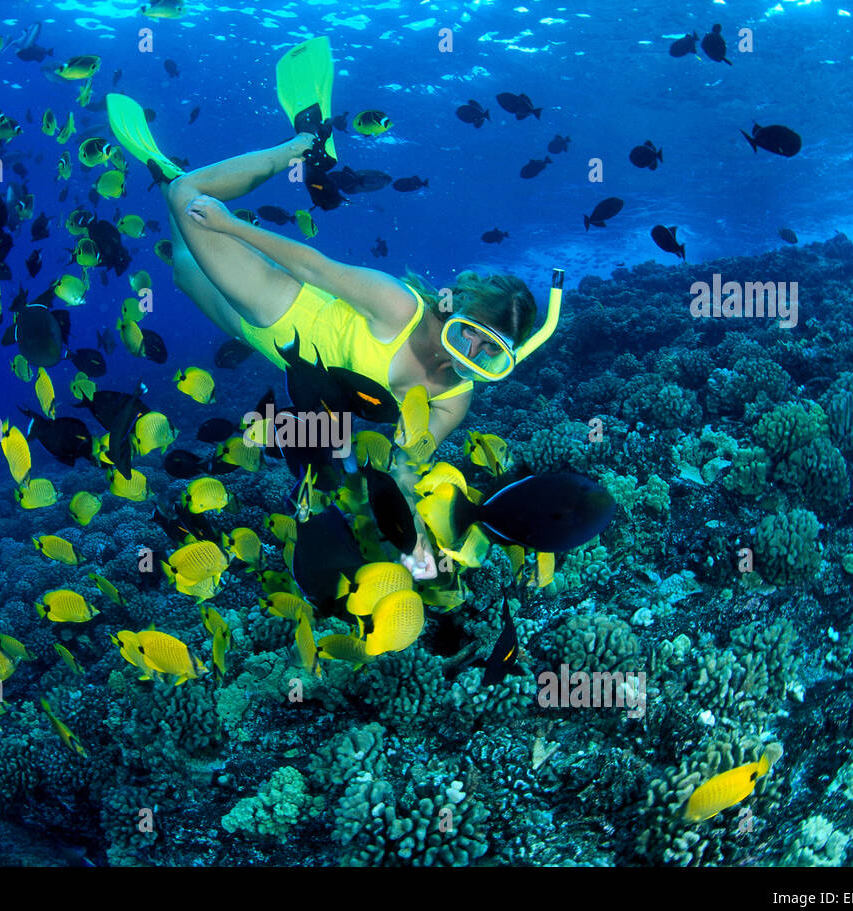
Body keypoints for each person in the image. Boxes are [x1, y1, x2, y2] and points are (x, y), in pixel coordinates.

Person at [106, 38, 558, 580]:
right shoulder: (400, 306)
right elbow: (314, 267)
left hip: (276, 355)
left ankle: (162, 176)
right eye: (468, 334)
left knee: (183, 271)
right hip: (286, 310)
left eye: (492, 355)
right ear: (453, 309)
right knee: (190, 201)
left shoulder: (454, 403)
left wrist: (414, 545)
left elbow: (402, 468)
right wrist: (229, 226)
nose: (469, 357)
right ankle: (298, 144)